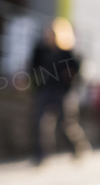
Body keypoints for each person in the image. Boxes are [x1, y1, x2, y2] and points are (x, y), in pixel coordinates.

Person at [30, 17, 92, 165]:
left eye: (52, 33)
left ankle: (79, 148)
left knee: (66, 124)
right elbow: (33, 69)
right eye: (47, 33)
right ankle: (41, 155)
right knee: (40, 122)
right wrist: (33, 83)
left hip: (63, 92)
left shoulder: (68, 53)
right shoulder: (41, 50)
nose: (48, 36)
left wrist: (71, 82)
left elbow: (78, 72)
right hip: (46, 89)